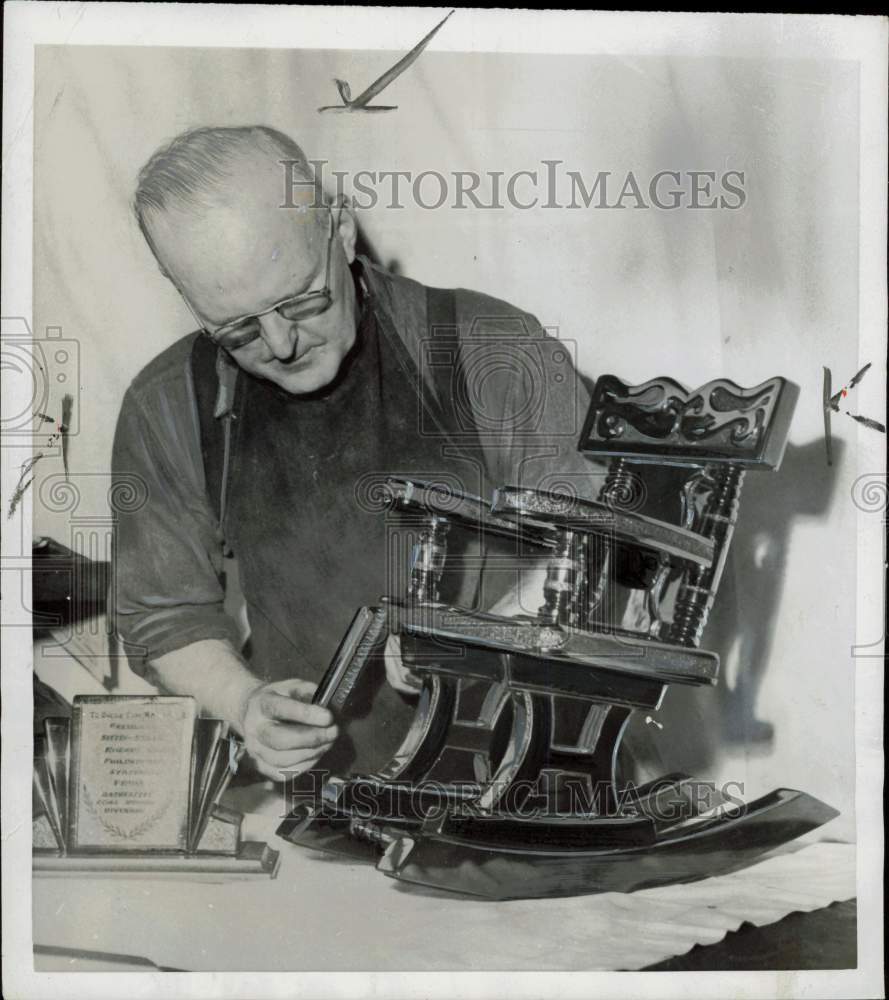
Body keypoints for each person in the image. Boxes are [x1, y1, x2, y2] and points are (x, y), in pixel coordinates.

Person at [112, 125, 592, 781]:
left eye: (301, 300)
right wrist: (245, 702)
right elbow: (164, 613)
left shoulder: (488, 348)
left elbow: (601, 543)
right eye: (238, 328)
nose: (281, 344)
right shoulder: (167, 403)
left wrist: (475, 645)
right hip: (327, 804)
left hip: (532, 779)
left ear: (338, 231)